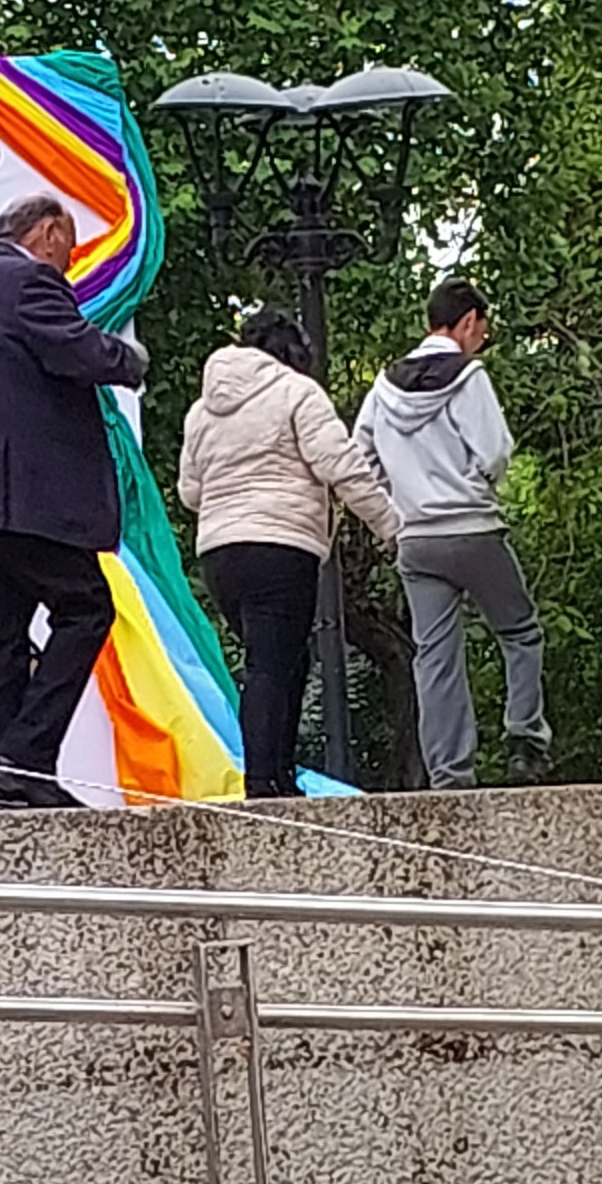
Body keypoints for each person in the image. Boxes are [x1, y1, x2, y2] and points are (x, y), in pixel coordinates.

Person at [0, 194, 148, 809]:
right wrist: (128, 360)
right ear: (47, 231)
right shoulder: (27, 282)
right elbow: (76, 349)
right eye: (68, 244)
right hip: (27, 498)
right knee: (86, 608)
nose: (69, 260)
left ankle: (8, 779)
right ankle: (25, 758)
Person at [178, 308, 400, 797]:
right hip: (280, 545)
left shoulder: (201, 412)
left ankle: (280, 775)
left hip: (220, 554)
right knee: (271, 665)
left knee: (284, 661)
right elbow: (342, 466)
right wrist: (388, 525)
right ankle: (262, 782)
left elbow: (190, 492)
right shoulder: (297, 392)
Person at [356, 278, 551, 788]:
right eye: (481, 332)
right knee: (520, 631)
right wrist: (474, 484)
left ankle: (449, 775)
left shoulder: (383, 387)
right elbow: (495, 450)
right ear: (467, 322)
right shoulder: (469, 377)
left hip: (417, 540)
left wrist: (395, 505)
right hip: (472, 528)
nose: (481, 342)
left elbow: (360, 457)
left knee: (435, 657)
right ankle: (525, 742)